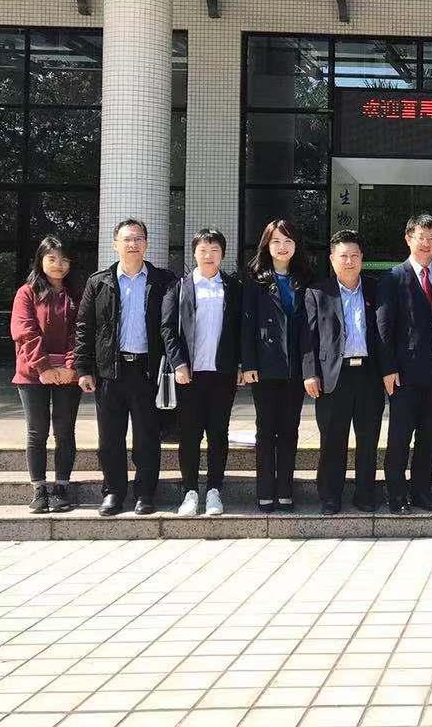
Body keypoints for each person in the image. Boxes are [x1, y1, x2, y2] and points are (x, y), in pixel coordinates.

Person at [74, 218, 176, 516]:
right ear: (115, 244)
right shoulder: (99, 282)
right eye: (127, 239)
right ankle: (114, 492)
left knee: (147, 437)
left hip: (147, 371)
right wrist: (83, 368)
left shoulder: (163, 280)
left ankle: (145, 493)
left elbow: (172, 325)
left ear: (146, 244)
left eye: (138, 239)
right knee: (110, 439)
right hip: (110, 372)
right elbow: (84, 326)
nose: (133, 244)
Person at [304, 230, 386, 515]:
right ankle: (330, 496)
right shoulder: (318, 292)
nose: (349, 261)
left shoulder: (376, 289)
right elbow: (308, 338)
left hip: (369, 375)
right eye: (343, 256)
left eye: (354, 255)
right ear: (332, 259)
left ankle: (365, 495)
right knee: (332, 439)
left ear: (362, 258)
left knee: (368, 439)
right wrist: (310, 373)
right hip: (332, 377)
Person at [161, 229, 242, 517]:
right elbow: (167, 328)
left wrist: (240, 364)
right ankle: (190, 492)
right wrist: (178, 363)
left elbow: (240, 330)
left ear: (223, 254)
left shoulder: (233, 287)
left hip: (222, 374)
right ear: (194, 253)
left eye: (214, 250)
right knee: (189, 434)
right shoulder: (179, 286)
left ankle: (215, 490)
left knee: (219, 433)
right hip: (189, 374)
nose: (209, 255)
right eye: (203, 250)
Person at [376, 214, 432, 514]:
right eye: (421, 237)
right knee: (400, 437)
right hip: (403, 375)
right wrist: (388, 368)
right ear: (408, 239)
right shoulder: (392, 278)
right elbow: (383, 327)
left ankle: (422, 492)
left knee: (429, 438)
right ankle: (396, 494)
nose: (427, 243)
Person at [241, 219, 312, 513]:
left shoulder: (305, 278)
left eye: (288, 241)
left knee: (290, 429)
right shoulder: (254, 279)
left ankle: (285, 489)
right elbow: (246, 324)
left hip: (295, 367)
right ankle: (265, 491)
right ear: (266, 245)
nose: (282, 247)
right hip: (265, 366)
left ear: (296, 246)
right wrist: (248, 363)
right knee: (266, 429)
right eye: (276, 242)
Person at [10, 235, 82, 514]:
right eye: (52, 258)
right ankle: (39, 489)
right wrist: (44, 367)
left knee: (64, 430)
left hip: (67, 374)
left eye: (64, 259)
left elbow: (80, 331)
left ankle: (61, 488)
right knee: (37, 431)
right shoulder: (26, 293)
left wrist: (69, 366)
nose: (58, 265)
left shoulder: (76, 294)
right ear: (40, 260)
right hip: (32, 374)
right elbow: (25, 332)